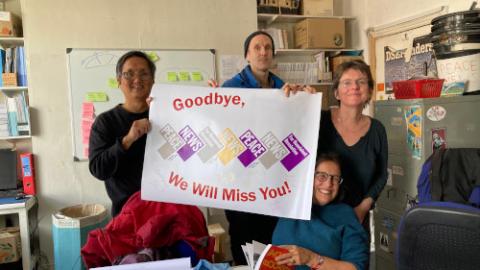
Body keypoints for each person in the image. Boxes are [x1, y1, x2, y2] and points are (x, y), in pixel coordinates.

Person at [209, 30, 315, 265]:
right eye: (257, 47)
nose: (263, 52)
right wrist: (212, 103)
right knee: (245, 243)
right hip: (242, 183)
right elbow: (219, 131)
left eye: (268, 47)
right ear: (246, 55)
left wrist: (306, 102)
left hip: (274, 183)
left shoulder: (284, 89)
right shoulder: (230, 88)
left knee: (273, 244)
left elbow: (295, 128)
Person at [317, 60, 388, 223]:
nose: (354, 87)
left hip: (356, 218)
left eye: (361, 82)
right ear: (336, 92)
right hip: (318, 218)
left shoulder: (377, 130)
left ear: (369, 91)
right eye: (347, 82)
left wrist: (363, 208)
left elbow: (382, 175)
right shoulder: (319, 120)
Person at [272, 153, 369, 270]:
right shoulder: (290, 205)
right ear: (308, 176)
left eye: (335, 178)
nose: (329, 184)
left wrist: (311, 259)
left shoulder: (345, 214)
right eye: (322, 176)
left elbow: (356, 267)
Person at [89, 50, 155, 217]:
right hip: (127, 216)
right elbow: (98, 169)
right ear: (119, 81)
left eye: (144, 74)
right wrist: (127, 140)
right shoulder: (105, 122)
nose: (137, 80)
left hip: (166, 215)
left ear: (153, 80)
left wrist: (214, 101)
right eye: (129, 74)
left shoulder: (165, 116)